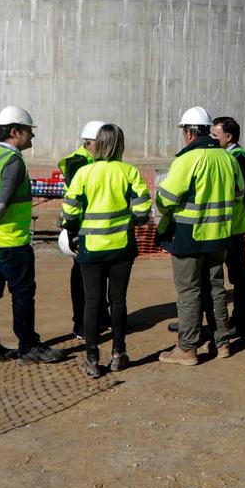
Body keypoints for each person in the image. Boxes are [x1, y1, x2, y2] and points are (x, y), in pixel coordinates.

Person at [0, 106, 62, 366]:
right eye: (29, 132)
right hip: (10, 242)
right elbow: (1, 203)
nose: (32, 137)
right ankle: (28, 345)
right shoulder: (13, 162)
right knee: (22, 294)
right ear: (16, 132)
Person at [151, 107, 243, 365]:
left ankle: (187, 348)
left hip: (189, 237)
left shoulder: (187, 160)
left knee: (189, 291)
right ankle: (221, 343)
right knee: (215, 289)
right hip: (219, 236)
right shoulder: (228, 158)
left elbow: (166, 199)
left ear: (189, 133)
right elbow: (238, 194)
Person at [59, 123, 150, 378]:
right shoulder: (130, 172)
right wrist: (133, 221)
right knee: (118, 301)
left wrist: (73, 227)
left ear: (97, 144)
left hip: (91, 249)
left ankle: (91, 359)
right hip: (122, 246)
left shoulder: (84, 173)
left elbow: (69, 212)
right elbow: (142, 212)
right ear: (120, 145)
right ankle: (118, 354)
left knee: (91, 302)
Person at [212, 115, 245, 344]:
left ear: (228, 137)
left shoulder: (237, 158)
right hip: (228, 226)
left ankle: (239, 322)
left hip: (233, 227)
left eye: (215, 135)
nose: (212, 139)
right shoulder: (231, 155)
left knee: (238, 277)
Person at [58, 120, 106, 341]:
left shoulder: (97, 160)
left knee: (99, 275)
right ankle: (81, 323)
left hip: (97, 228)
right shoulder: (78, 162)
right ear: (89, 143)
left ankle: (100, 317)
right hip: (80, 226)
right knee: (82, 277)